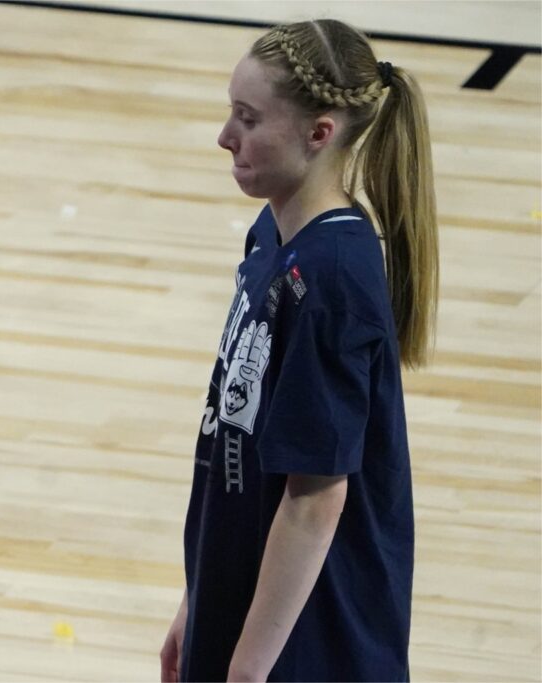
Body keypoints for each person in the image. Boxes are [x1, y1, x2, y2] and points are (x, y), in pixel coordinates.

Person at [161, 19, 438, 682]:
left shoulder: (333, 276)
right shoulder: (271, 237)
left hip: (312, 640)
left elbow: (316, 496)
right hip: (246, 605)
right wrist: (196, 603)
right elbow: (234, 443)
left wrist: (251, 666)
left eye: (248, 118)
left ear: (320, 133)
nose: (226, 136)